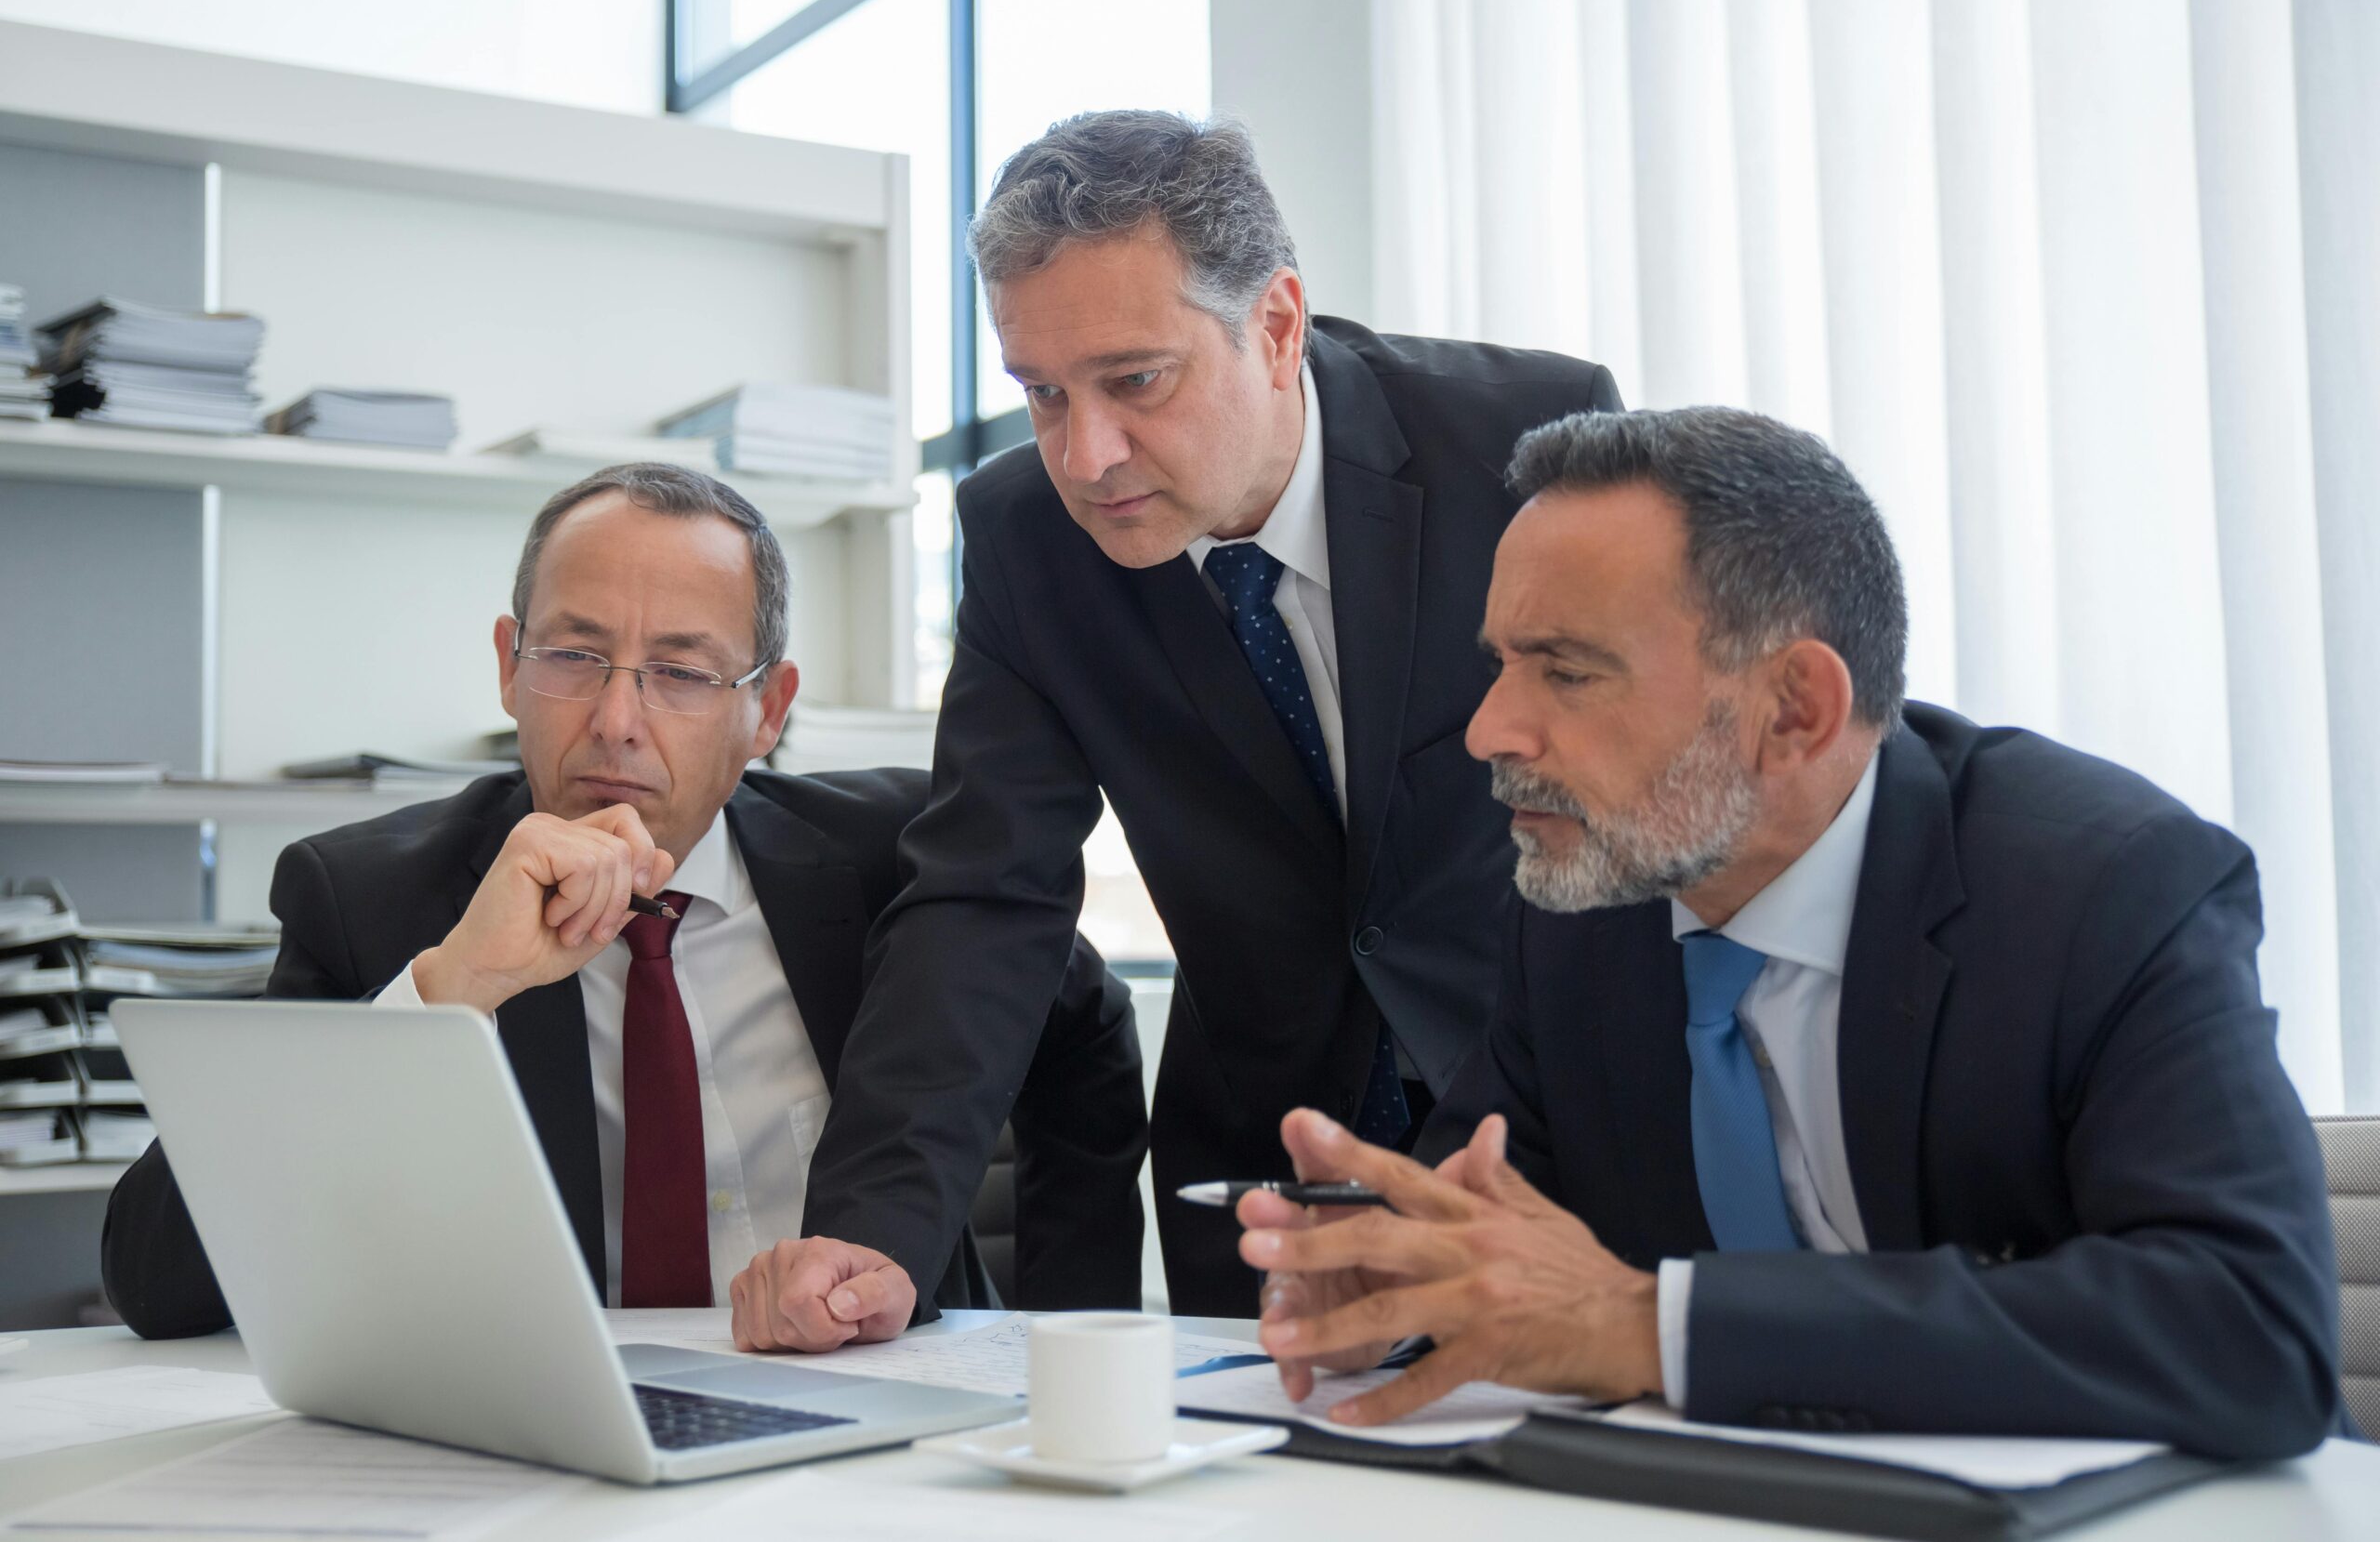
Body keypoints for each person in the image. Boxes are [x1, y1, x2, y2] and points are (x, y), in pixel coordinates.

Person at [1235, 406, 2346, 1457]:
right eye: (1500, 663)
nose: (1488, 730)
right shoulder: (1582, 902)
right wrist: (1380, 1288)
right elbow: (1490, 1236)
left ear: (1795, 708)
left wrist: (1648, 1325)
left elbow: (2251, 1323)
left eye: (1566, 671)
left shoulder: (2105, 887)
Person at [760, 110, 1625, 1327]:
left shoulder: (1522, 448)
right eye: (1042, 394)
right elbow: (983, 897)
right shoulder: (1027, 541)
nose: (1086, 454)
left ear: (1274, 326)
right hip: (1264, 1171)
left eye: (1134, 382)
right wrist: (873, 1230)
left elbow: (1647, 813)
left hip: (1547, 1137)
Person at [101, 464, 1146, 1348]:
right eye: (573, 657)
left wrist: (1052, 1339)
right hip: (555, 1439)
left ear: (767, 711)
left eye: (682, 674)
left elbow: (1085, 1035)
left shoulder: (896, 859)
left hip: (872, 1420)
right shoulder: (375, 897)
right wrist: (457, 985)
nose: (616, 721)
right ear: (509, 666)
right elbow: (156, 1280)